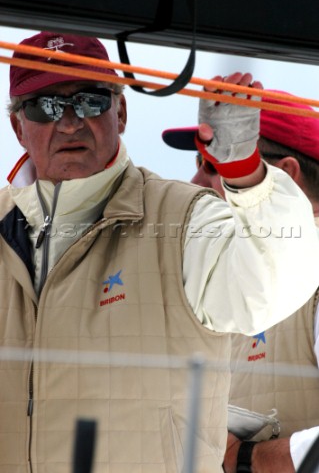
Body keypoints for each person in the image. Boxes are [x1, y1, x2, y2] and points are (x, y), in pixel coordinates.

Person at [1, 33, 318, 473]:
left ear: (122, 112)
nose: (70, 121)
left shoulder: (186, 219)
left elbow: (272, 283)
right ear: (18, 127)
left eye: (90, 101)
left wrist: (245, 174)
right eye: (46, 107)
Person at [162, 88, 319, 472]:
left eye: (214, 165)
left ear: (285, 177)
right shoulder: (225, 284)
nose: (194, 182)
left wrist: (248, 458)